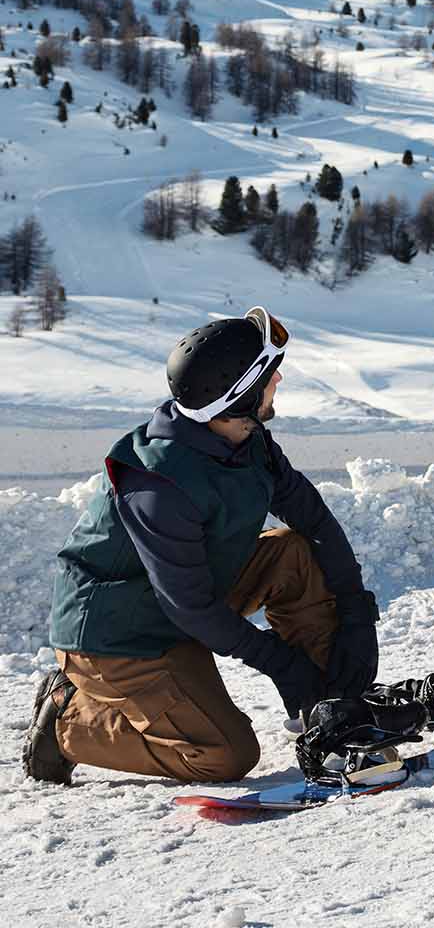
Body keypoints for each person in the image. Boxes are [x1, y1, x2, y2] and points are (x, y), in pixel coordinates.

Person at [21, 308, 380, 785]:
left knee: (295, 552)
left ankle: (329, 708)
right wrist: (280, 662)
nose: (280, 381)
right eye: (271, 375)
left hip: (186, 600)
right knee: (224, 756)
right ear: (243, 394)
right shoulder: (158, 486)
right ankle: (69, 721)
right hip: (120, 639)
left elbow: (313, 519)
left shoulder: (245, 439)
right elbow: (190, 608)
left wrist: (356, 611)